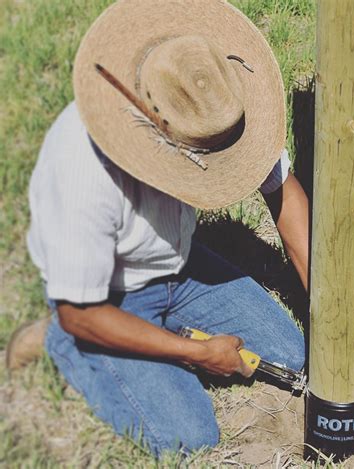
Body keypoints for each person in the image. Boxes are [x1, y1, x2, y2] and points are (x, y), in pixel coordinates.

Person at [6, 0, 309, 458]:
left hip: (179, 264)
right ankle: (58, 342)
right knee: (189, 436)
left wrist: (331, 311)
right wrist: (197, 354)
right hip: (102, 298)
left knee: (295, 353)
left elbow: (283, 195)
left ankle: (170, 325)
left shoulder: (215, 104)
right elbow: (82, 312)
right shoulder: (80, 168)